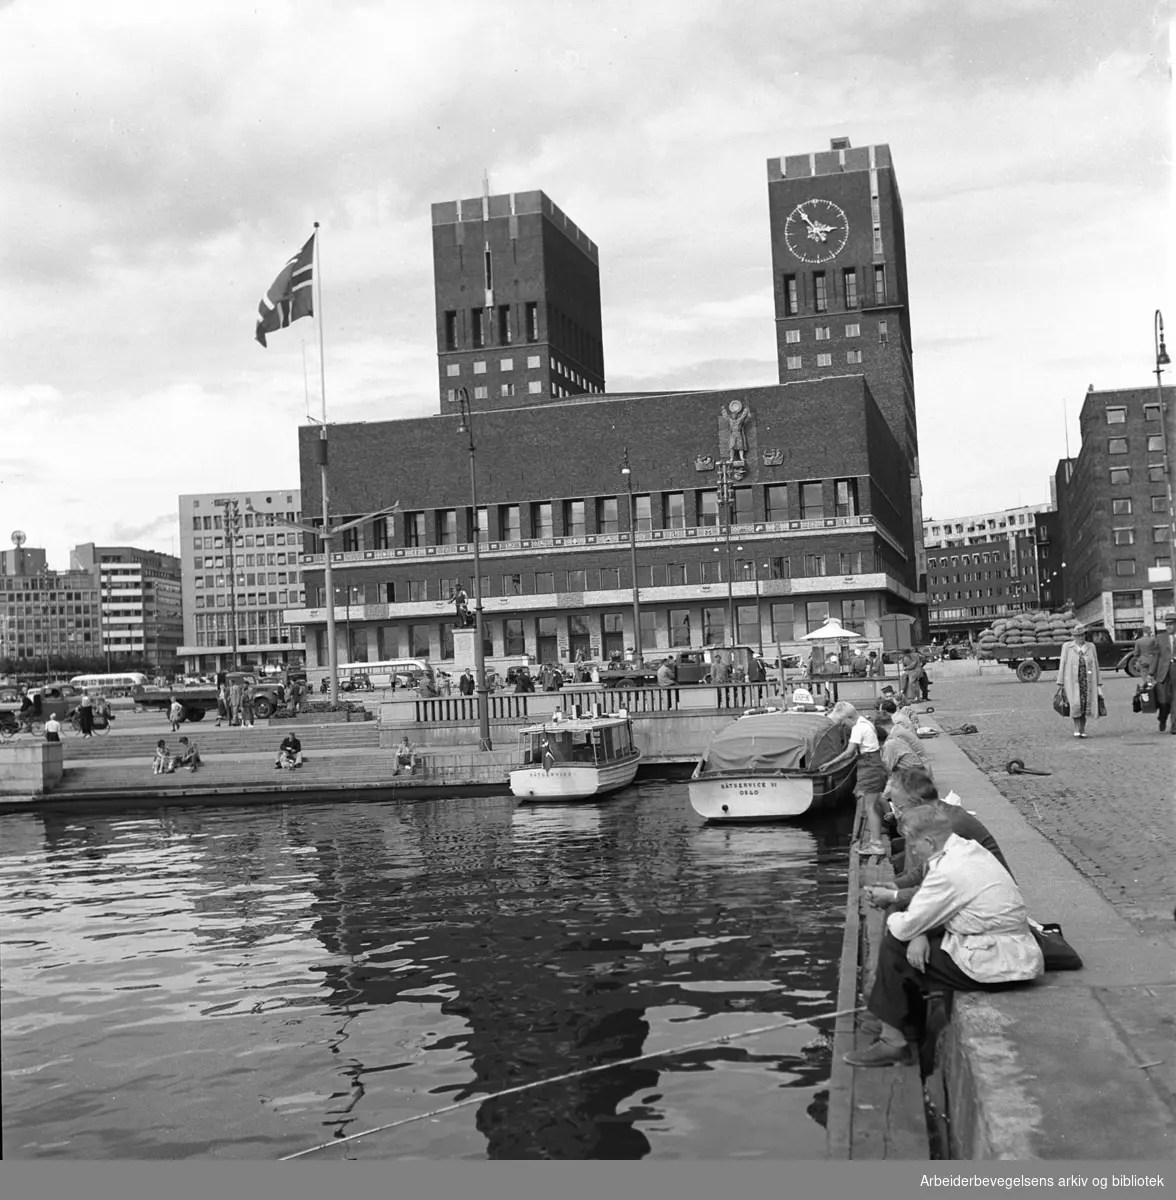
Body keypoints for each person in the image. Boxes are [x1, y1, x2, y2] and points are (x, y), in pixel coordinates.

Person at [843, 804, 1043, 1068]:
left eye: (914, 846)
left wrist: (908, 925)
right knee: (912, 946)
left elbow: (905, 926)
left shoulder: (947, 872)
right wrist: (920, 931)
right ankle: (903, 1024)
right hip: (1011, 949)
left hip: (997, 963)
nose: (912, 851)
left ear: (928, 840)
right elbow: (936, 911)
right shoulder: (965, 849)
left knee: (895, 943)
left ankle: (894, 1043)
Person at [866, 768, 1011, 910]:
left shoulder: (948, 826)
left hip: (990, 904)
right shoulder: (939, 818)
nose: (899, 814)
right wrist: (895, 885)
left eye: (899, 808)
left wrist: (893, 895)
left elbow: (939, 891)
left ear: (916, 803)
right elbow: (925, 869)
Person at [822, 701, 888, 856]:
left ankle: (876, 845)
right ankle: (876, 839)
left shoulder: (858, 728)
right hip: (874, 764)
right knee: (874, 804)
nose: (844, 727)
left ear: (848, 718)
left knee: (869, 807)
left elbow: (849, 753)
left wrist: (829, 764)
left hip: (870, 767)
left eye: (843, 723)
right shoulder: (867, 723)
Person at [1055, 624, 1102, 738]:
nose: (1080, 637)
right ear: (1074, 636)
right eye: (1078, 635)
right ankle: (1076, 728)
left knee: (1085, 705)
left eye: (1082, 635)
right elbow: (1063, 663)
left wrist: (1099, 682)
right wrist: (1060, 681)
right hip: (1072, 681)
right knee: (1075, 705)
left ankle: (1082, 729)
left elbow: (1096, 663)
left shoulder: (1091, 647)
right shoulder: (1067, 647)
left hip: (1087, 681)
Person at [1149, 614, 1175, 735]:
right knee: (1164, 700)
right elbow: (1155, 656)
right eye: (1167, 624)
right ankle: (1162, 718)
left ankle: (1174, 726)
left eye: (1171, 624)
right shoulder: (1159, 637)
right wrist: (1151, 672)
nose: (1168, 627)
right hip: (1163, 673)